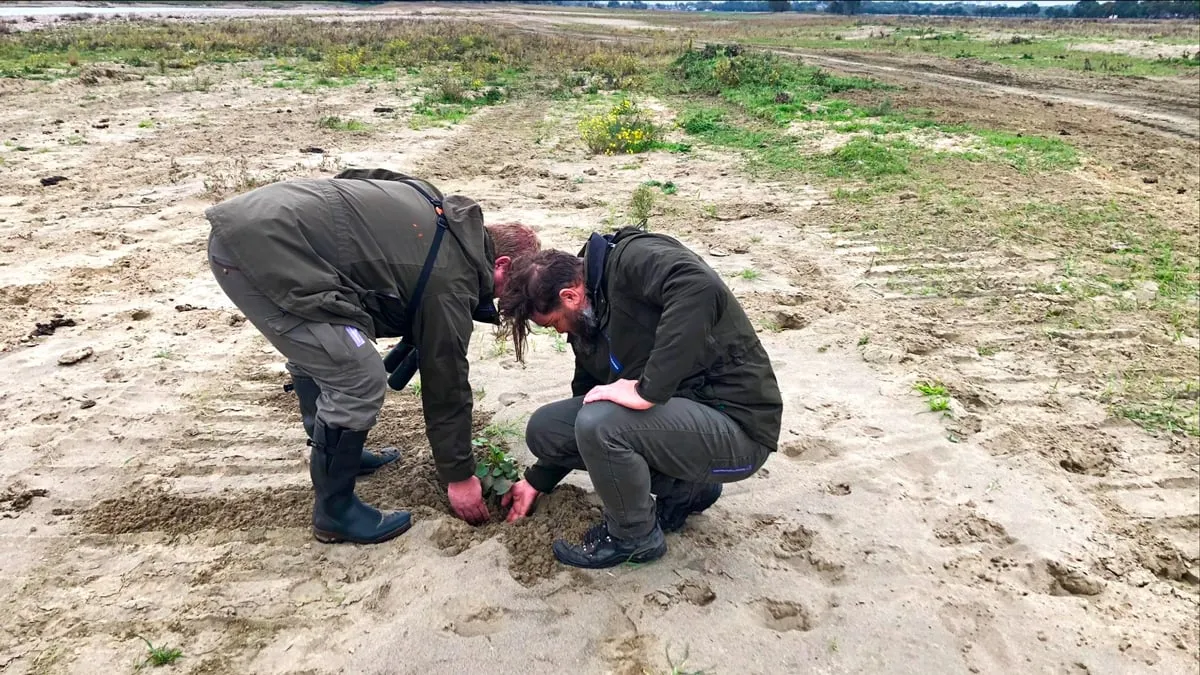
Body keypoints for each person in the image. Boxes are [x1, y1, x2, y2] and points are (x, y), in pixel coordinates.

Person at [205, 168, 540, 545]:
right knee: (357, 373)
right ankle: (335, 511)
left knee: (330, 338)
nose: (499, 301)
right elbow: (445, 380)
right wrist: (459, 476)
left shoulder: (437, 205)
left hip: (269, 219)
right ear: (502, 264)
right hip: (259, 249)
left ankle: (335, 446)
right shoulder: (451, 279)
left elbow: (360, 176)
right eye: (505, 291)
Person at [496, 226, 783, 569]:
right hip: (678, 421)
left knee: (601, 424)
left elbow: (699, 286)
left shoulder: (631, 258)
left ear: (570, 296)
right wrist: (537, 480)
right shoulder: (587, 321)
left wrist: (648, 388)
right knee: (549, 429)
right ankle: (687, 490)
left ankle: (634, 537)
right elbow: (586, 403)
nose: (559, 332)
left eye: (553, 322)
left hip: (738, 428)